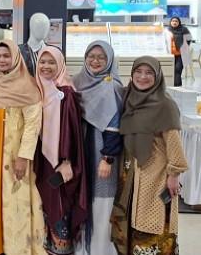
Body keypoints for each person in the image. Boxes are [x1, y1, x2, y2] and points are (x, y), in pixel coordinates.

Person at [111, 57, 187, 255]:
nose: (142, 77)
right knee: (130, 226)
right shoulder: (129, 98)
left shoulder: (165, 105)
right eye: (138, 71)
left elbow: (174, 143)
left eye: (149, 73)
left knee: (154, 227)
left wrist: (174, 174)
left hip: (156, 175)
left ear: (157, 76)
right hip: (130, 174)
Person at [0, 40, 45, 255]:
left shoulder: (27, 85)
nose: (1, 60)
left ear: (16, 57)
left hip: (14, 152)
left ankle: (17, 248)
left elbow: (32, 125)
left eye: (6, 56)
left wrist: (23, 157)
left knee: (15, 198)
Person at [34, 46, 88, 255]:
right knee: (44, 200)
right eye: (42, 62)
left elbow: (71, 130)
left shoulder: (66, 92)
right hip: (40, 158)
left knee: (60, 201)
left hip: (60, 159)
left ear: (60, 65)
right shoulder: (36, 88)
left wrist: (66, 160)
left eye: (51, 62)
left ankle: (61, 248)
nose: (46, 66)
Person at [72, 41, 122, 255]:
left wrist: (107, 158)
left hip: (101, 153)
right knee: (81, 198)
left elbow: (115, 125)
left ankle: (99, 250)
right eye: (91, 56)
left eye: (101, 57)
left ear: (109, 60)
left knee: (101, 202)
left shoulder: (112, 86)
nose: (95, 61)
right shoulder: (76, 81)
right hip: (80, 149)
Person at [166, 16, 192, 86]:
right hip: (170, 55)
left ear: (179, 22)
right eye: (173, 21)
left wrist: (184, 47)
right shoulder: (168, 30)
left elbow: (189, 39)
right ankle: (171, 87)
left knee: (178, 70)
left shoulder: (184, 29)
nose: (174, 22)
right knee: (171, 71)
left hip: (181, 55)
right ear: (170, 22)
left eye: (176, 21)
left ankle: (177, 86)